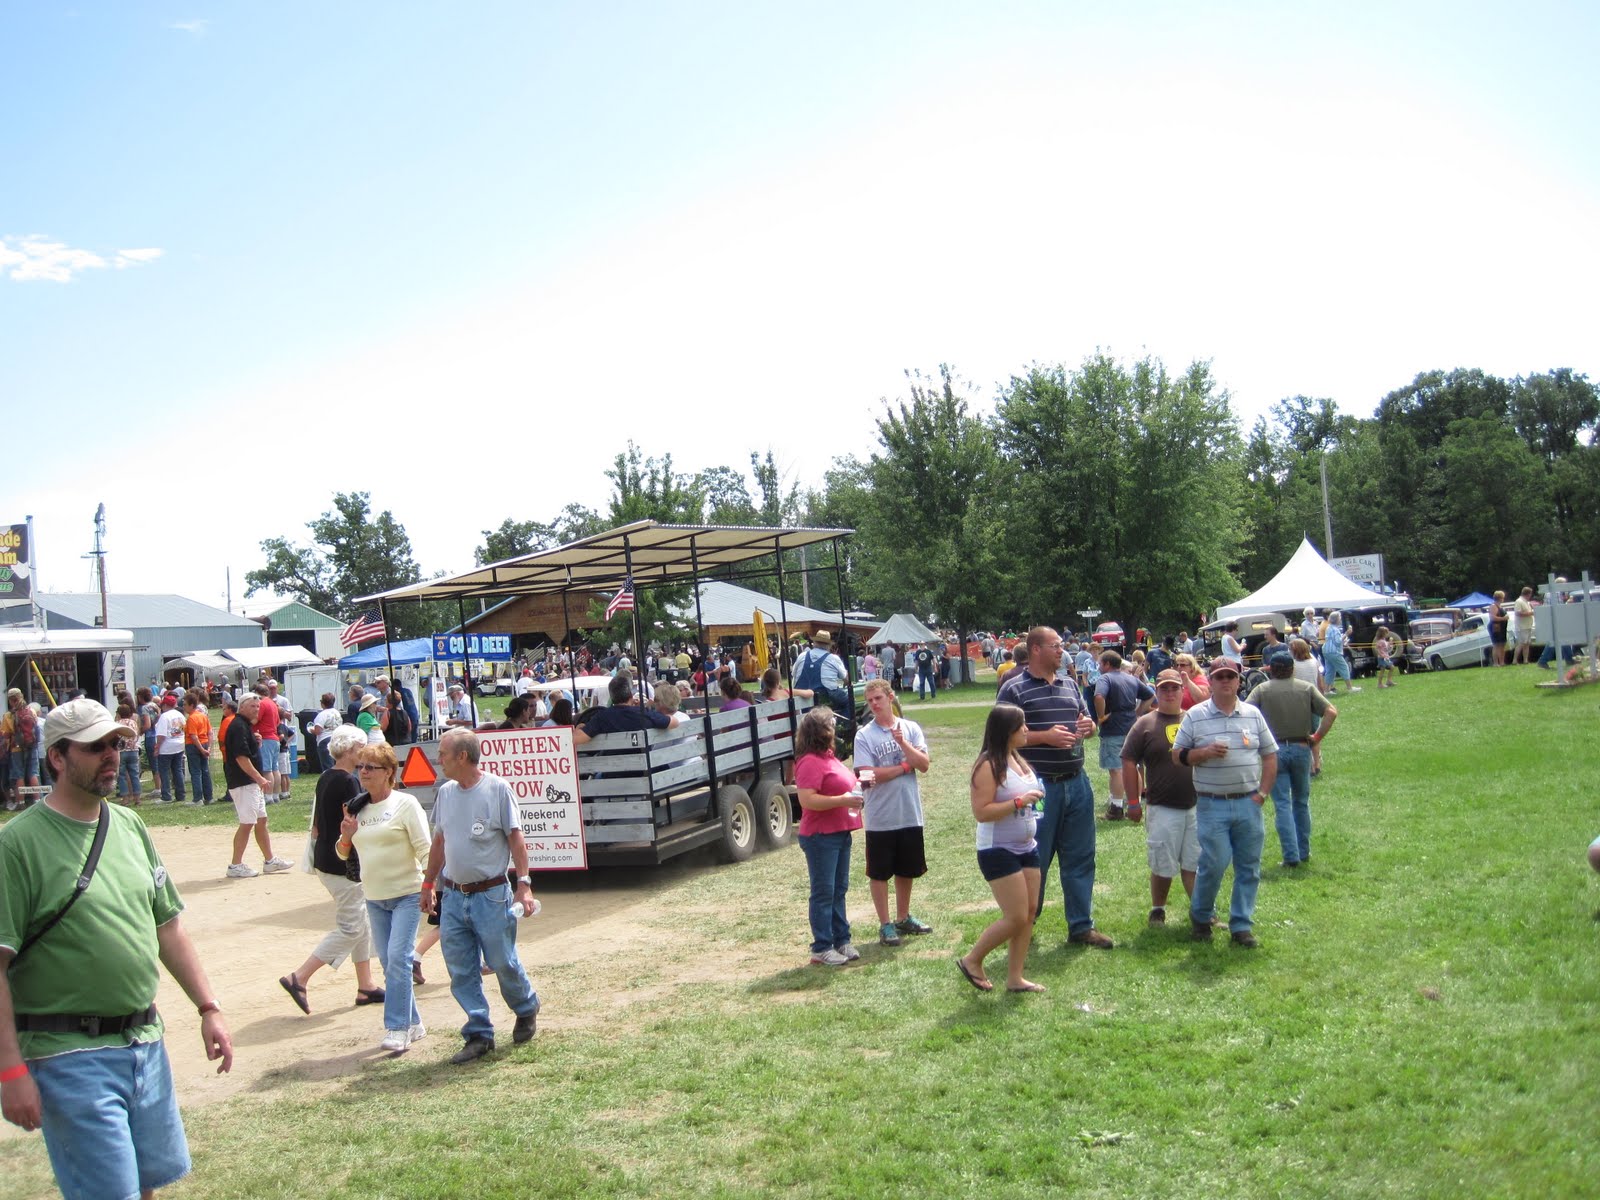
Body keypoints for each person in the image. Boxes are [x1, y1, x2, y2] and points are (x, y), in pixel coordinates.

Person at [0, 698, 233, 1199]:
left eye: (116, 744)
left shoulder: (130, 827)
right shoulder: (16, 845)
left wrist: (208, 1007)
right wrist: (12, 1070)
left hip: (143, 1043)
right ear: (58, 758)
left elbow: (168, 927)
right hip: (68, 1054)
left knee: (148, 1187)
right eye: (95, 747)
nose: (111, 755)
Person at [421, 729, 542, 1064]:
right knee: (461, 968)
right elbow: (440, 843)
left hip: (491, 894)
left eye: (443, 753)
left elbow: (516, 840)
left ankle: (526, 1006)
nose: (438, 759)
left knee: (502, 961)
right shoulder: (445, 793)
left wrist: (524, 884)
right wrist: (428, 884)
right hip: (455, 897)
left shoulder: (497, 789)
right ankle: (478, 1033)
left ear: (462, 756)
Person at [995, 627, 1112, 948]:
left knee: (1080, 856)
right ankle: (1025, 924)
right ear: (1035, 650)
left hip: (1077, 783)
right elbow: (1000, 736)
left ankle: (1081, 926)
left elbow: (1084, 720)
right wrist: (1044, 736)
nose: (1062, 651)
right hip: (1037, 789)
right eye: (1056, 646)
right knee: (1035, 857)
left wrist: (1088, 727)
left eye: (1062, 646)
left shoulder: (1070, 684)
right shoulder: (1014, 689)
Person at [1172, 659, 1278, 948]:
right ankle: (1201, 916)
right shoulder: (1195, 715)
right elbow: (1178, 755)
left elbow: (1270, 755)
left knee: (1249, 866)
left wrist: (1263, 793)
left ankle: (1241, 925)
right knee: (1214, 863)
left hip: (1248, 802)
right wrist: (1203, 752)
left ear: (1239, 681)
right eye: (1220, 677)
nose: (1226, 682)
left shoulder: (1253, 715)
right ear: (1211, 680)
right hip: (1212, 803)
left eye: (1231, 676)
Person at [277, 729, 383, 1014]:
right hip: (343, 863)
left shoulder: (326, 776)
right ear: (349, 750)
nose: (365, 754)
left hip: (327, 859)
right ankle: (299, 977)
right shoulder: (349, 781)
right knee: (352, 926)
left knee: (361, 921)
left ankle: (366, 985)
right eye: (361, 748)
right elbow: (356, 819)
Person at [337, 741, 430, 1053]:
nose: (363, 772)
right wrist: (346, 836)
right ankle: (414, 1023)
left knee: (399, 959)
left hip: (407, 893)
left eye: (371, 767)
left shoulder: (406, 804)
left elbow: (425, 848)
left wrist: (432, 887)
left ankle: (397, 1027)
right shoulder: (357, 807)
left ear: (389, 772)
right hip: (374, 897)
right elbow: (341, 852)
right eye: (361, 766)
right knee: (391, 962)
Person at [956, 703, 1045, 993]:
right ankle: (972, 959)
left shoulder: (1017, 758)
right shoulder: (988, 765)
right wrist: (1019, 802)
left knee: (1030, 911)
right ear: (1007, 731)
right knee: (1016, 916)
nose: (1027, 730)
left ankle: (1015, 978)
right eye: (1022, 726)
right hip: (997, 848)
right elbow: (981, 812)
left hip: (1026, 846)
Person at [853, 679, 933, 947]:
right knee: (879, 873)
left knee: (906, 869)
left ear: (890, 698)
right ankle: (885, 924)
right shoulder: (864, 735)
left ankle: (903, 917)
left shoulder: (910, 729)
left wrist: (904, 745)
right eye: (870, 700)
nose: (874, 704)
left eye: (878, 698)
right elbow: (866, 774)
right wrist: (902, 767)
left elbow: (923, 764)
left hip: (909, 812)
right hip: (880, 816)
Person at [1122, 669, 1199, 926]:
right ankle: (1158, 908)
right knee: (1162, 861)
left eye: (1174, 688)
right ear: (1156, 692)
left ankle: (1201, 912)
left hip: (1197, 805)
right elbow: (1128, 760)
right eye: (1164, 688)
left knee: (1194, 861)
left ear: (1182, 690)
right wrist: (1133, 802)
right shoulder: (1145, 723)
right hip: (1162, 805)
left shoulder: (1193, 720)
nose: (1169, 693)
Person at [1249, 650, 1337, 869]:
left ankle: (1291, 855)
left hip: (1274, 751)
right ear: (1292, 669)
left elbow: (1246, 712)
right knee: (1301, 802)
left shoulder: (1262, 689)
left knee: (1282, 804)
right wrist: (1317, 737)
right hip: (1301, 748)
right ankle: (1304, 850)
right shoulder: (1306, 688)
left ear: (1271, 669)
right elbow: (1331, 712)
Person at [794, 707, 864, 966]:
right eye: (830, 724)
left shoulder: (829, 757)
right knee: (824, 892)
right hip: (821, 836)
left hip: (839, 831)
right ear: (818, 731)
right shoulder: (809, 761)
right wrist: (843, 799)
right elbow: (807, 800)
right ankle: (822, 946)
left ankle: (841, 940)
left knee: (839, 889)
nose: (833, 728)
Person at [223, 694, 293, 879]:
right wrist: (259, 778)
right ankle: (235, 865)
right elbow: (240, 757)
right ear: (242, 707)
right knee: (247, 823)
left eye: (258, 706)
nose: (257, 709)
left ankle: (270, 861)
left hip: (251, 783)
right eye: (253, 706)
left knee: (261, 820)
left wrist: (256, 743)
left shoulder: (245, 726)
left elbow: (246, 751)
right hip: (244, 782)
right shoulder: (238, 726)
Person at [1094, 650, 1154, 821]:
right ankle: (1134, 803)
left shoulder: (1105, 679)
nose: (1099, 667)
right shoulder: (1131, 678)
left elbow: (1099, 696)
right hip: (1131, 727)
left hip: (1113, 728)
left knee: (1116, 770)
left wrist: (1100, 716)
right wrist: (1137, 713)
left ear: (1106, 664)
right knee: (1133, 766)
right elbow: (1150, 695)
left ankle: (1116, 808)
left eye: (1100, 664)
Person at [572, 673, 671, 743]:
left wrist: (579, 728)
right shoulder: (644, 714)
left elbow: (576, 739)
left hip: (613, 771)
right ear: (631, 696)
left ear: (612, 697)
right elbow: (674, 722)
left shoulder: (602, 717)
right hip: (644, 771)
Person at [152, 693, 187, 804]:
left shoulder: (164, 716)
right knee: (177, 770)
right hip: (179, 744)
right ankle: (180, 794)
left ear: (165, 705)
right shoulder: (180, 715)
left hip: (166, 747)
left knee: (165, 771)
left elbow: (161, 735)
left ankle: (166, 796)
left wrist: (157, 747)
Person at [182, 691, 215, 806]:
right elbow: (210, 732)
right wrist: (208, 747)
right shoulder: (203, 716)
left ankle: (197, 798)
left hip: (194, 746)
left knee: (196, 772)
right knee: (205, 771)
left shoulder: (192, 718)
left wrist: (201, 749)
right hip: (205, 743)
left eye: (185, 704)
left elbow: (193, 736)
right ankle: (209, 797)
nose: (184, 707)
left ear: (191, 705)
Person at [1320, 612, 1360, 694]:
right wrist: (1346, 634)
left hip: (1326, 650)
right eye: (1340, 618)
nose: (1340, 620)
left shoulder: (1329, 627)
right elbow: (1338, 642)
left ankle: (1326, 690)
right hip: (1334, 651)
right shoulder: (1335, 629)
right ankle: (1349, 687)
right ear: (1337, 619)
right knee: (1344, 667)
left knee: (1330, 670)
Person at [114, 699, 143, 806]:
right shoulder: (134, 723)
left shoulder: (117, 724)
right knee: (134, 775)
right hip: (133, 750)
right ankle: (137, 798)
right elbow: (137, 734)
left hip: (121, 751)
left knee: (121, 775)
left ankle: (125, 798)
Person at [312, 691, 343, 771]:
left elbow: (318, 731)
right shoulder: (337, 713)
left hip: (325, 740)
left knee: (328, 766)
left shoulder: (322, 714)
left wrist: (311, 730)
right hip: (337, 739)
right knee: (337, 765)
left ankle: (329, 782)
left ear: (322, 703)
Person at [1512, 587, 1535, 665]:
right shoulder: (1519, 601)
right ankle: (1514, 660)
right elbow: (1517, 613)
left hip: (1528, 626)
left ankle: (1525, 660)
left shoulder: (1527, 602)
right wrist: (1531, 613)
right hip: (1521, 627)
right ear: (1528, 594)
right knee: (1521, 643)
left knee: (1527, 644)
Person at [1489, 590, 1509, 666]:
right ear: (1500, 598)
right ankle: (1496, 663)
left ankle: (1502, 662)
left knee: (1502, 645)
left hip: (1503, 628)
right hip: (1496, 628)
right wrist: (1504, 618)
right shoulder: (1493, 606)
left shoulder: (1500, 606)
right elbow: (1492, 618)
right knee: (1496, 645)